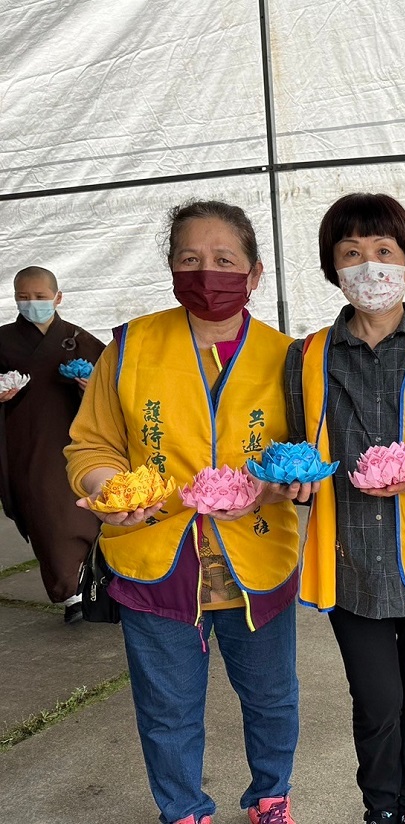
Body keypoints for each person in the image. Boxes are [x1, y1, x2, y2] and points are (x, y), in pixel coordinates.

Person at [64, 200, 310, 824]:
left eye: (225, 260)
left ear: (255, 273)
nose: (207, 274)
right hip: (156, 556)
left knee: (272, 697)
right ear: (172, 269)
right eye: (190, 259)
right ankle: (183, 810)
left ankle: (271, 795)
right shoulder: (130, 347)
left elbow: (310, 454)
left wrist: (290, 485)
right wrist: (110, 490)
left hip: (256, 557)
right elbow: (92, 444)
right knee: (167, 707)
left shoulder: (289, 357)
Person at [286, 193, 405, 824]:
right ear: (333, 267)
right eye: (352, 253)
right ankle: (382, 809)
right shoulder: (308, 356)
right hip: (349, 557)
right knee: (376, 702)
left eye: (384, 251)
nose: (369, 267)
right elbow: (297, 444)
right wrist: (294, 479)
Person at [0, 266, 104, 623]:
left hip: (77, 442)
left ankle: (97, 584)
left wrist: (91, 389)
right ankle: (70, 594)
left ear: (58, 298)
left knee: (87, 514)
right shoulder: (4, 340)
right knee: (46, 516)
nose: (32, 303)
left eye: (40, 297)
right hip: (28, 446)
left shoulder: (78, 339)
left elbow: (114, 384)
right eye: (23, 297)